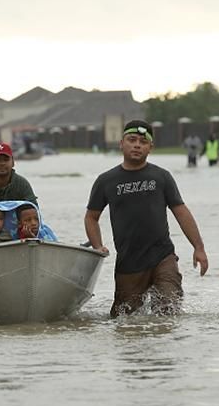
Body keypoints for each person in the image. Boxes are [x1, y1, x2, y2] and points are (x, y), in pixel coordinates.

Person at [84, 120, 208, 316]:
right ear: (121, 143)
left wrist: (198, 247)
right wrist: (97, 246)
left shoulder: (162, 177)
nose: (137, 145)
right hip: (129, 263)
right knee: (123, 319)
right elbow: (91, 217)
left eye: (143, 141)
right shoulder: (106, 181)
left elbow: (181, 211)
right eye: (132, 140)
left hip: (163, 257)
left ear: (150, 147)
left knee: (169, 309)